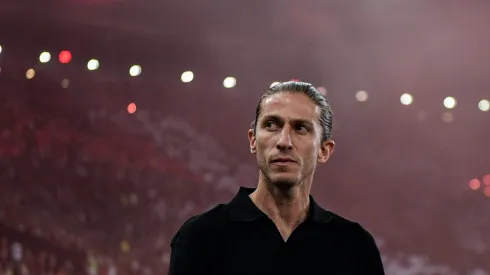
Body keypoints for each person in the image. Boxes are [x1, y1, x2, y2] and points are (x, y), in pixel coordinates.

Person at [168, 81, 385, 275]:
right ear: (253, 140)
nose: (284, 141)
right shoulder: (201, 237)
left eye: (300, 128)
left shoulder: (355, 245)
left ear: (324, 150)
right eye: (272, 125)